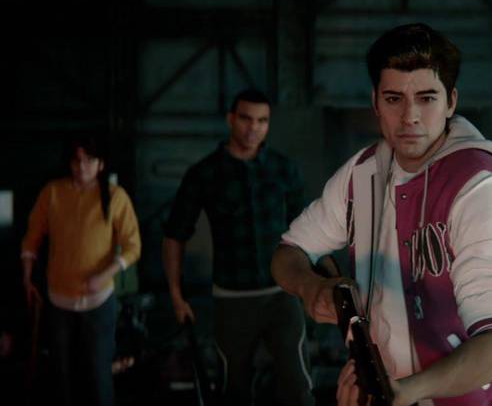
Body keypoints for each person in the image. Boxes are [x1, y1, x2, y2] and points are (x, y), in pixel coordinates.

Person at [271, 23, 492, 406]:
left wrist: (403, 391)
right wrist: (311, 288)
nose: (410, 116)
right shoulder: (361, 173)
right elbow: (288, 253)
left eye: (426, 98)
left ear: (451, 102)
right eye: (394, 98)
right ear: (376, 102)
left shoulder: (481, 187)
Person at [162, 88, 312, 406]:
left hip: (282, 295)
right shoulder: (204, 173)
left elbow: (308, 230)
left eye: (262, 120)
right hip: (232, 300)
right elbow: (175, 234)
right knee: (234, 390)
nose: (253, 128)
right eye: (246, 118)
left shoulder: (283, 169)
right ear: (231, 119)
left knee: (298, 388)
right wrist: (176, 295)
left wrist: (310, 283)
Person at [20, 134, 141, 406]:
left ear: (101, 164)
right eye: (77, 160)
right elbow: (31, 238)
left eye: (89, 160)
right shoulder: (52, 192)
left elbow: (133, 245)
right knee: (61, 377)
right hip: (58, 300)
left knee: (98, 377)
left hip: (99, 302)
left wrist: (106, 274)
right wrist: (27, 276)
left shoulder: (115, 196)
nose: (82, 166)